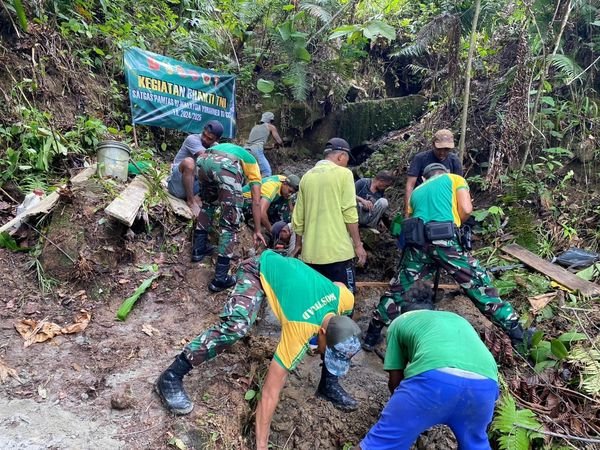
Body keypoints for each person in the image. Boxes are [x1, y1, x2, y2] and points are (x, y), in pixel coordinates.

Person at [154, 250, 362, 448]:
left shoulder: (343, 299)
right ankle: (171, 375)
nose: (325, 356)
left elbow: (338, 284)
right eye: (329, 352)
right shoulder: (299, 330)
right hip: (257, 268)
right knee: (236, 327)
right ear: (322, 332)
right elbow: (270, 393)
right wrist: (262, 445)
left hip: (284, 265)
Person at [363, 163, 528, 351]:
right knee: (476, 281)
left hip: (418, 243)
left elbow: (411, 215)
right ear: (445, 173)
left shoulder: (416, 191)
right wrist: (453, 225)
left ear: (424, 178)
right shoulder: (455, 179)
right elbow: (466, 209)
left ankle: (372, 334)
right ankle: (516, 333)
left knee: (401, 286)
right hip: (444, 240)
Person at [359, 282, 499, 450]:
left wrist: (407, 416)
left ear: (403, 309)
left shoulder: (401, 321)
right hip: (485, 387)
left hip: (434, 382)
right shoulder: (457, 319)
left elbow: (395, 382)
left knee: (378, 445)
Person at [292, 138, 367, 294]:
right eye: (347, 159)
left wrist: (298, 245)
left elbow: (298, 218)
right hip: (338, 254)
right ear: (340, 156)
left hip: (311, 255)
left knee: (317, 303)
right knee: (345, 301)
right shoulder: (344, 174)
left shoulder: (306, 177)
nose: (347, 163)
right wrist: (358, 245)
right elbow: (349, 213)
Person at [193, 143, 266, 292]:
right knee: (229, 223)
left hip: (202, 161)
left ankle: (198, 250)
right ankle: (220, 278)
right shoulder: (252, 163)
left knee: (208, 206)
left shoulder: (231, 148)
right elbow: (256, 200)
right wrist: (258, 230)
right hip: (226, 166)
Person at [167, 120, 224, 217]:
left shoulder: (217, 147)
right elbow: (204, 158)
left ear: (217, 139)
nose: (204, 139)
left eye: (209, 138)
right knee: (189, 162)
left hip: (195, 185)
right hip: (178, 185)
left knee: (223, 172)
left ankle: (199, 197)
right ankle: (191, 201)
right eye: (204, 135)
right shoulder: (192, 139)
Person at [404, 129, 463, 217]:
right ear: (433, 145)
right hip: (422, 201)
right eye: (439, 149)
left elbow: (459, 187)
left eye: (446, 149)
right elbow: (410, 186)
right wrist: (408, 211)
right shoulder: (420, 158)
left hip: (445, 203)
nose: (442, 152)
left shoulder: (454, 161)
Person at [245, 112, 284, 177]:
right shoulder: (270, 126)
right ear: (271, 120)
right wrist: (277, 145)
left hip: (246, 149)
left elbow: (253, 144)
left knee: (250, 172)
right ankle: (265, 186)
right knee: (267, 172)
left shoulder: (255, 127)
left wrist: (270, 148)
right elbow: (279, 141)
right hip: (256, 149)